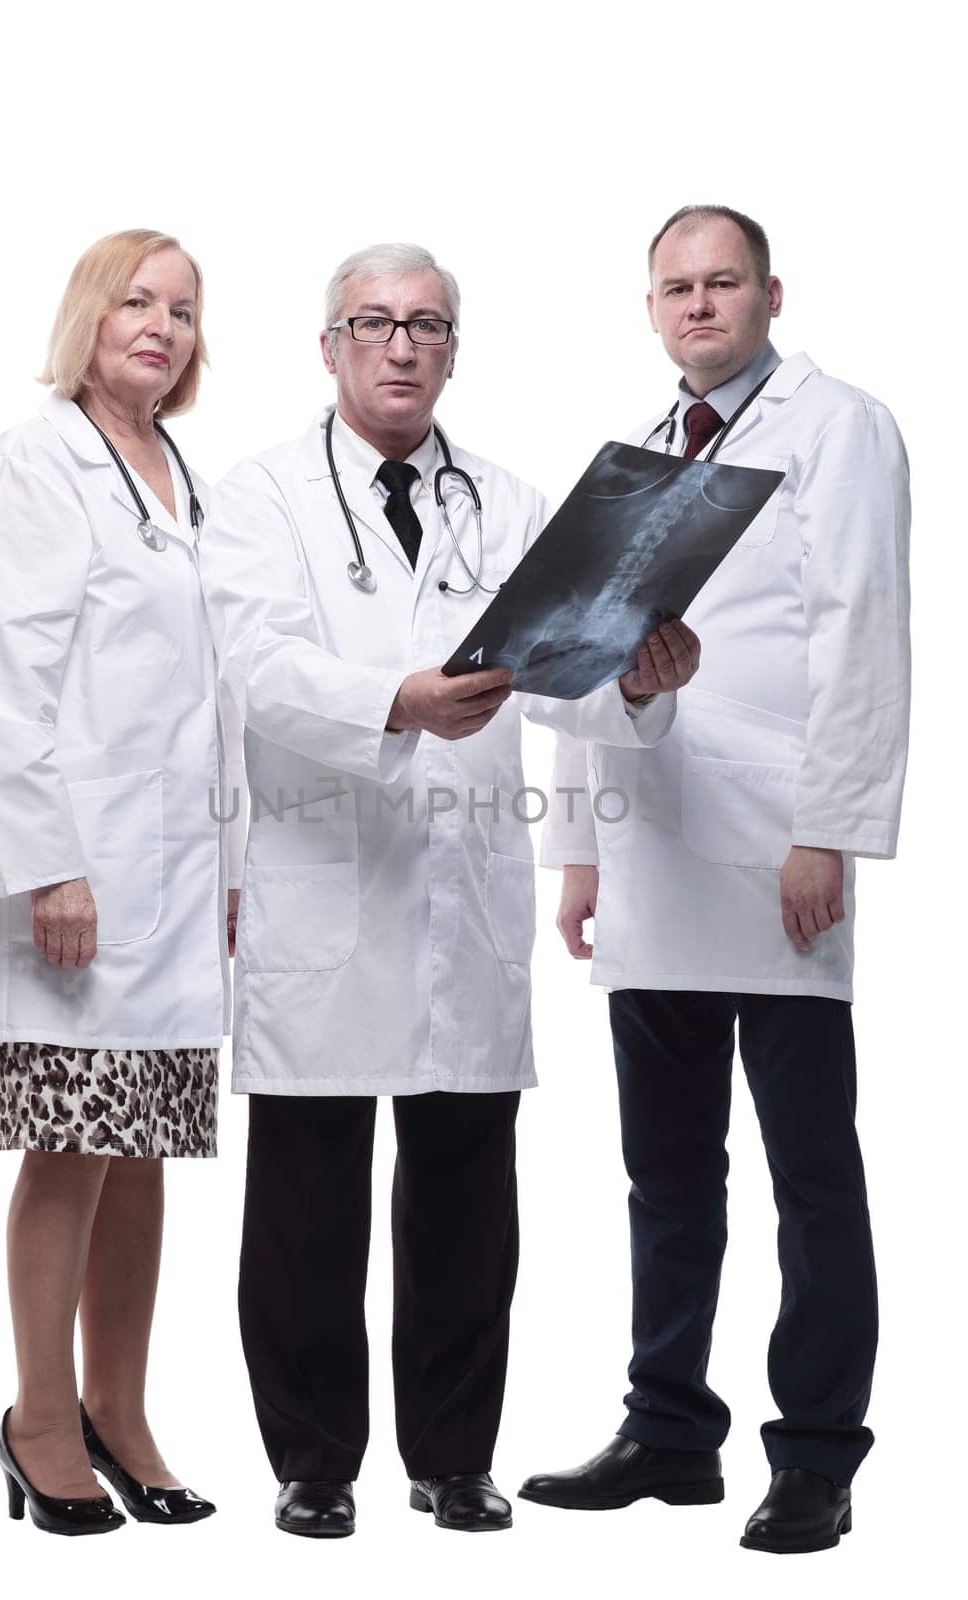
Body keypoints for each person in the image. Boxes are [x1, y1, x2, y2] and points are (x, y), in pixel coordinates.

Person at [199, 241, 700, 1539]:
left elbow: (567, 678)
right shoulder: (261, 499)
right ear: (330, 347)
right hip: (325, 885)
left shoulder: (515, 501)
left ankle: (455, 1458)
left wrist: (639, 677)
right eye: (375, 321)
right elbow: (256, 665)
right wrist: (397, 701)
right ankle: (314, 1465)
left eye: (428, 324)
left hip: (464, 898)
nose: (403, 345)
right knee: (309, 1202)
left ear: (455, 350)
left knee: (467, 1201)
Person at [518, 205, 911, 1555]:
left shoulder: (839, 426)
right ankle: (671, 1431)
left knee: (812, 1168)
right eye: (676, 287)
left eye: (722, 281)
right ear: (651, 309)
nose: (699, 304)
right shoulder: (633, 452)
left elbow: (864, 630)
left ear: (771, 293)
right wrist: (575, 849)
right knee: (664, 1170)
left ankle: (814, 1455)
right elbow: (578, 643)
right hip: (649, 844)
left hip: (772, 842)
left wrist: (833, 830)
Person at [0, 229, 245, 1535]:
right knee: (71, 1145)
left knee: (146, 1153)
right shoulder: (39, 462)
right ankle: (39, 1418)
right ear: (89, 315)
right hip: (80, 875)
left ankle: (122, 1410)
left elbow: (215, 692)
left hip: (180, 882)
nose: (162, 326)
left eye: (182, 310)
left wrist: (235, 865)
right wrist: (49, 865)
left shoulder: (183, 473)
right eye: (136, 301)